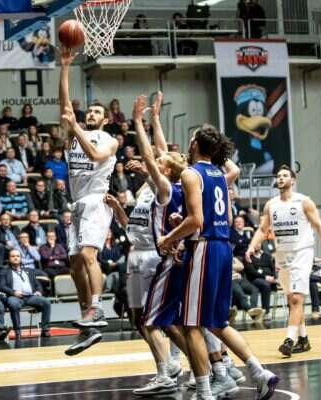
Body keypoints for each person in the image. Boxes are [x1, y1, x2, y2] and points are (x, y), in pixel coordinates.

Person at [159, 123, 278, 400]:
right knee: (216, 322)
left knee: (191, 325)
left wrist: (169, 238)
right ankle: (260, 372)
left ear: (195, 144)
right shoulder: (220, 175)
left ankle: (204, 391)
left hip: (204, 249)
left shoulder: (191, 173)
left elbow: (197, 221)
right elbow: (211, 216)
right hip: (223, 248)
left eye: (191, 139)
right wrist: (182, 222)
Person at [59, 47, 119, 356]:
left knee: (87, 255)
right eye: (89, 111)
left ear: (105, 119)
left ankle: (97, 307)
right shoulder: (73, 135)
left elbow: (95, 155)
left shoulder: (109, 140)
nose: (91, 114)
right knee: (73, 266)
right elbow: (64, 106)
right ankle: (88, 322)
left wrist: (77, 129)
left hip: (97, 200)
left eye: (97, 112)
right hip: (77, 203)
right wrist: (65, 67)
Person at [128, 94, 187, 394]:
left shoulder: (163, 186)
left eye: (160, 163)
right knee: (147, 318)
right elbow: (162, 153)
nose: (156, 159)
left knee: (156, 319)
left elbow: (155, 156)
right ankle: (205, 364)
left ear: (165, 170)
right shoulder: (163, 183)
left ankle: (176, 366)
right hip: (145, 253)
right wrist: (156, 119)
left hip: (158, 254)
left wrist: (139, 122)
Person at [245, 164, 321, 357]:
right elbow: (262, 230)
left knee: (296, 298)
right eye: (278, 176)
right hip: (282, 255)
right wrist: (252, 246)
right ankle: (303, 339)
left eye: (285, 175)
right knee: (291, 299)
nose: (280, 178)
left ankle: (289, 340)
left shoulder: (304, 202)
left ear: (293, 180)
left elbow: (319, 226)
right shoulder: (271, 205)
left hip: (302, 253)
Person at [0, 249, 51, 339]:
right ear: (9, 259)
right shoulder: (4, 272)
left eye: (17, 256)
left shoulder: (29, 271)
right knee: (13, 304)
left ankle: (45, 330)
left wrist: (38, 291)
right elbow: (2, 286)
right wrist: (14, 292)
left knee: (46, 302)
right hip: (14, 297)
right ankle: (18, 332)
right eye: (13, 256)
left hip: (30, 297)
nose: (15, 258)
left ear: (20, 258)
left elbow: (37, 284)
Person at [244, 244, 276, 317]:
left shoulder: (267, 256)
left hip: (269, 279)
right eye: (255, 244)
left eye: (258, 244)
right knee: (265, 285)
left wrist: (273, 277)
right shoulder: (248, 256)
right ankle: (266, 312)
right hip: (254, 279)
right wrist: (265, 277)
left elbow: (273, 268)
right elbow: (251, 272)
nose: (257, 245)